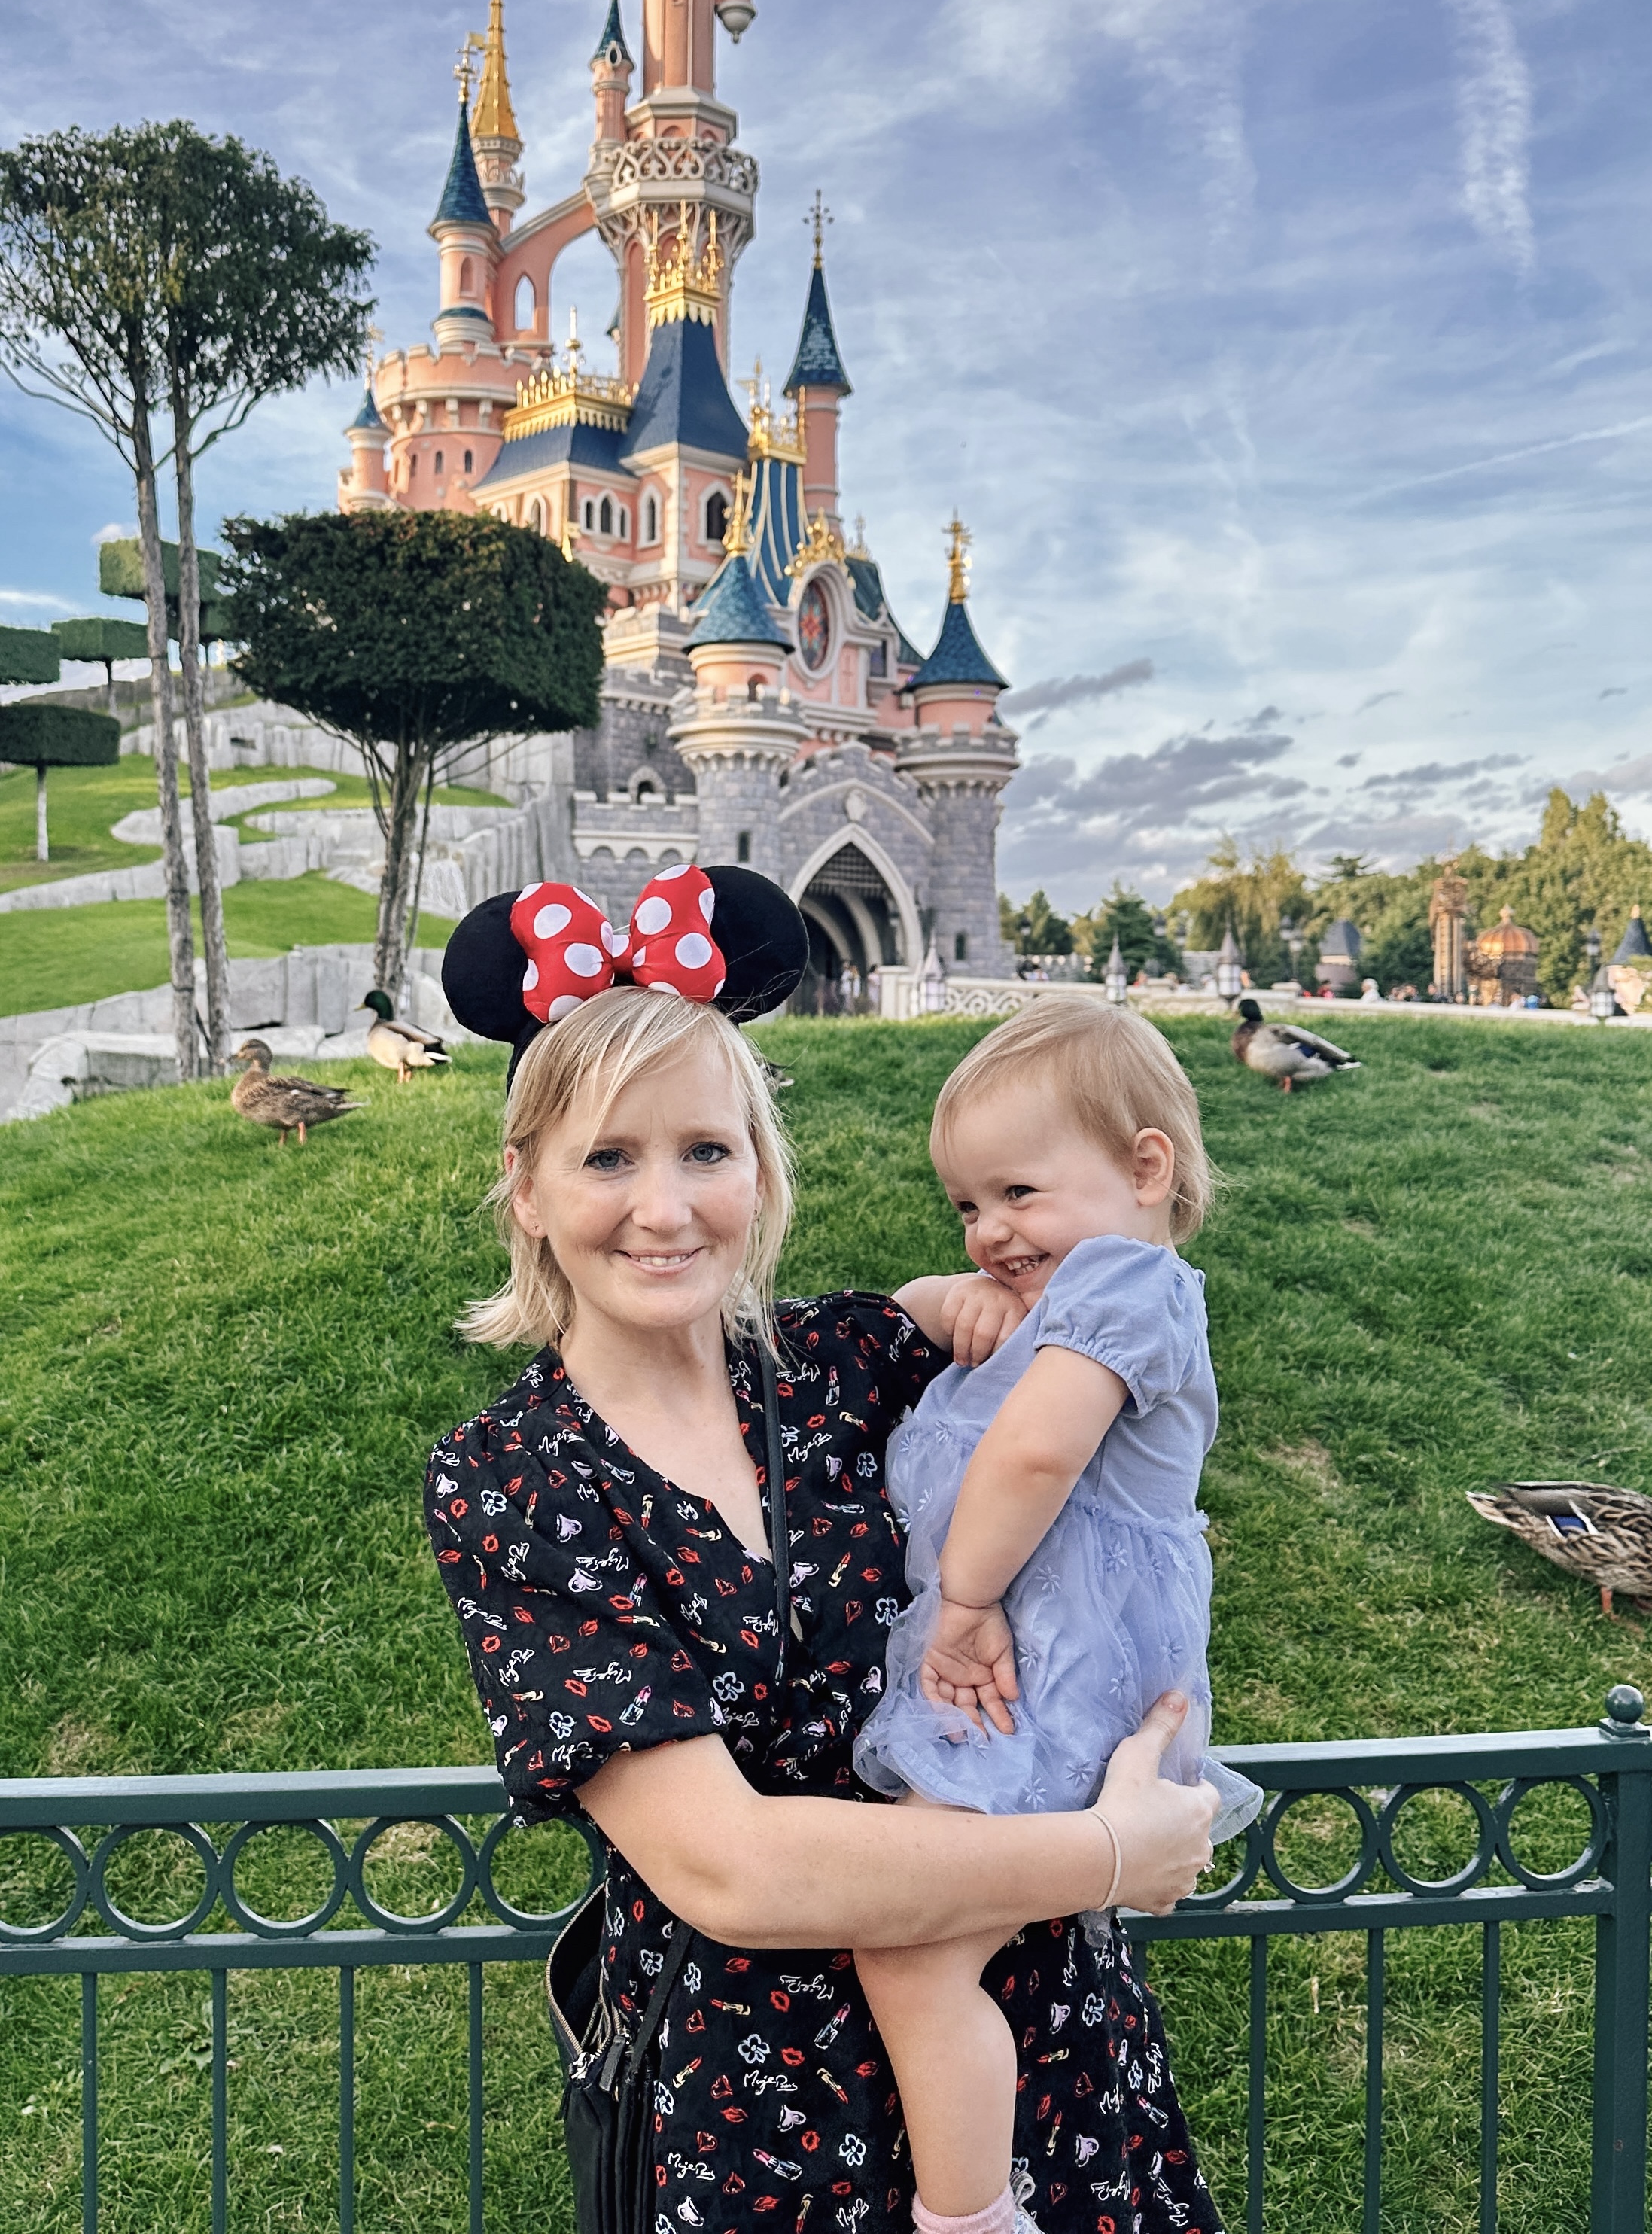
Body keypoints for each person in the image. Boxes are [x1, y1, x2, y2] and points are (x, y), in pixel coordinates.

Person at [427, 869, 1228, 2234]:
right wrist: (1105, 1853)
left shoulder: (857, 1362)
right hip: (766, 2111)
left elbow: (1092, 1422)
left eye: (706, 1151)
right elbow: (732, 1868)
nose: (665, 1209)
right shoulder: (514, 1479)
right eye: (608, 1159)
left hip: (1035, 2055)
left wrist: (987, 1301)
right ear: (528, 1189)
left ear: (759, 1166)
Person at [852, 1000, 1260, 2234]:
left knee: (912, 1949)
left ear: (1147, 1169)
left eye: (1018, 1193)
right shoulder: (1067, 1302)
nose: (990, 1232)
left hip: (1052, 1672)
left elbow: (1032, 1457)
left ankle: (972, 2217)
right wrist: (946, 1298)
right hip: (1031, 1670)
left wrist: (967, 1603)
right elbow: (928, 1338)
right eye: (966, 1207)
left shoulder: (1129, 1284)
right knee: (912, 1947)